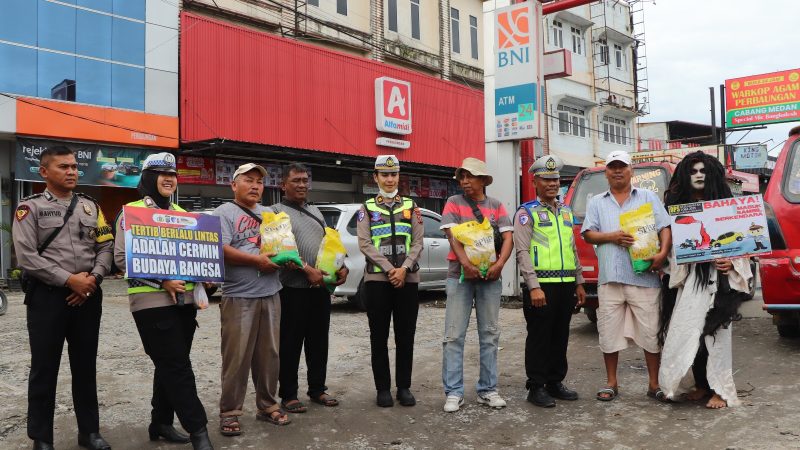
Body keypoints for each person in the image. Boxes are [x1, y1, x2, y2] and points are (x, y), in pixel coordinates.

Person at [12, 146, 114, 450]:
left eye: (73, 166)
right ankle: (41, 438)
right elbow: (26, 257)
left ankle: (90, 432)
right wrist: (69, 280)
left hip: (88, 297)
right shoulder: (29, 208)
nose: (71, 172)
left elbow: (106, 245)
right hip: (47, 298)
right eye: (63, 167)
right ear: (44, 172)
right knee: (44, 369)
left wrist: (93, 279)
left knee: (85, 367)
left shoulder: (91, 207)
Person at [113, 153, 213, 449]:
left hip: (184, 302)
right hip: (150, 301)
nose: (169, 178)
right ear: (147, 178)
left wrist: (205, 275)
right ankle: (199, 431)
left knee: (169, 365)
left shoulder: (184, 215)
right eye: (161, 173)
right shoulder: (130, 212)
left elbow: (192, 258)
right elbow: (121, 259)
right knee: (178, 367)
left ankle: (160, 423)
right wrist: (161, 280)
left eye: (173, 173)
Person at [658, 151, 753, 409]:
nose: (699, 175)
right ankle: (700, 384)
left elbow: (744, 244)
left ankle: (720, 390)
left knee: (716, 335)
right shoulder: (676, 209)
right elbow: (672, 248)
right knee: (690, 333)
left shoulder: (728, 206)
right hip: (689, 282)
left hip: (719, 282)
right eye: (693, 171)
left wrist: (730, 262)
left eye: (703, 171)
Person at [580, 150, 671, 402]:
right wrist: (612, 236)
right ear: (606, 172)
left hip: (644, 278)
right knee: (608, 333)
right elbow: (588, 234)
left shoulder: (648, 197)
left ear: (631, 170)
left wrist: (662, 253)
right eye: (612, 167)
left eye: (622, 166)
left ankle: (654, 384)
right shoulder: (597, 201)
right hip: (610, 278)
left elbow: (664, 227)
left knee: (651, 333)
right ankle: (611, 383)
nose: (617, 171)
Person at [213, 163, 290, 435]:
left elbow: (283, 246)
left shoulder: (270, 213)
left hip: (271, 292)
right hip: (239, 294)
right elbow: (221, 248)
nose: (256, 185)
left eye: (259, 181)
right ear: (234, 185)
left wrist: (287, 259)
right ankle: (230, 411)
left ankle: (267, 405)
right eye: (249, 180)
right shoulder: (223, 213)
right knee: (236, 357)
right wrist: (257, 261)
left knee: (269, 355)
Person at [439, 157, 514, 413]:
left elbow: (507, 237)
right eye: (462, 177)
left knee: (490, 334)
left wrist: (500, 264)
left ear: (483, 180)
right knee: (453, 335)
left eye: (470, 176)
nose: (464, 181)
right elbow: (452, 235)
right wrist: (465, 265)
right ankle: (453, 392)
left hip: (490, 278)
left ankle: (488, 390)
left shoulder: (496, 206)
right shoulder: (453, 203)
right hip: (458, 277)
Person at [272, 163, 348, 413]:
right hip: (291, 290)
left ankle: (317, 389)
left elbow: (329, 245)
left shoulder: (316, 211)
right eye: (296, 180)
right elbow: (280, 251)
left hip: (319, 291)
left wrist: (341, 267)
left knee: (318, 342)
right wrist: (307, 270)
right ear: (283, 184)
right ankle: (289, 395)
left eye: (305, 180)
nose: (302, 184)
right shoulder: (276, 213)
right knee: (290, 343)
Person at [514, 155, 587, 408]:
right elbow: (522, 251)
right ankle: (536, 386)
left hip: (566, 284)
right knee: (539, 337)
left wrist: (579, 282)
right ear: (535, 182)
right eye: (546, 179)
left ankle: (555, 382)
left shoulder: (566, 212)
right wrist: (533, 286)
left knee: (560, 335)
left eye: (555, 179)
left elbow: (572, 248)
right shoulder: (526, 213)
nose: (552, 184)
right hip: (541, 287)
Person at [357, 155, 424, 408]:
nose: (389, 179)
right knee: (379, 336)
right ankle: (383, 388)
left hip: (408, 280)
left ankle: (404, 387)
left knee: (406, 335)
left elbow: (418, 242)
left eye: (393, 174)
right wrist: (390, 270)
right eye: (384, 175)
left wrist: (404, 269)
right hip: (377, 281)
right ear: (375, 177)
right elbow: (364, 243)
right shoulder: (366, 208)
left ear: (398, 176)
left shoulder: (411, 206)